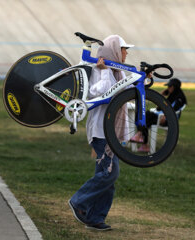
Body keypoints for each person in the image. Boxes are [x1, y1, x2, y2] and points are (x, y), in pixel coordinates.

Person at [68, 35, 134, 231]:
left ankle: (95, 218)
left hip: (110, 132)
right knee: (109, 174)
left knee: (107, 176)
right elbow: (98, 91)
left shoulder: (117, 71)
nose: (126, 53)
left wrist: (143, 81)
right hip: (101, 130)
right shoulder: (98, 68)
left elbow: (125, 89)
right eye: (124, 49)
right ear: (114, 50)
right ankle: (79, 202)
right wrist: (104, 72)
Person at [130, 78, 187, 152]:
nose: (168, 88)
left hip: (169, 120)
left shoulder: (179, 98)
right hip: (162, 116)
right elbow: (160, 107)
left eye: (170, 87)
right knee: (144, 116)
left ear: (174, 87)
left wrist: (166, 116)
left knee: (147, 116)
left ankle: (142, 139)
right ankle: (142, 139)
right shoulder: (173, 95)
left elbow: (173, 110)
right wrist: (162, 95)